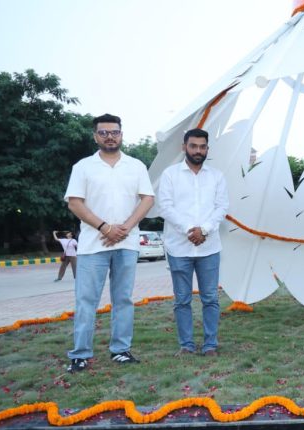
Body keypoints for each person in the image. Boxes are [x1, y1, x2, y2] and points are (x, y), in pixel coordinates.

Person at [64, 113, 155, 373]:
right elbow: (75, 203)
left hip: (127, 243)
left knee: (123, 298)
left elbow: (148, 199)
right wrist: (105, 227)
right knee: (86, 300)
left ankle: (121, 350)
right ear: (95, 136)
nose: (109, 137)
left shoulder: (136, 165)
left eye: (114, 132)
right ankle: (80, 354)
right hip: (94, 244)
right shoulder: (83, 167)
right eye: (103, 133)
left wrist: (126, 227)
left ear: (121, 134)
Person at [158, 128, 228, 357]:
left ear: (207, 149)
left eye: (202, 147)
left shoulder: (216, 176)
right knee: (182, 300)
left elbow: (221, 207)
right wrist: (190, 230)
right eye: (193, 146)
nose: (198, 150)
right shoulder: (170, 175)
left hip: (209, 247)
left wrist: (204, 230)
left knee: (210, 298)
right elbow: (165, 207)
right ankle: (186, 345)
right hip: (179, 247)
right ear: (184, 147)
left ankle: (210, 345)